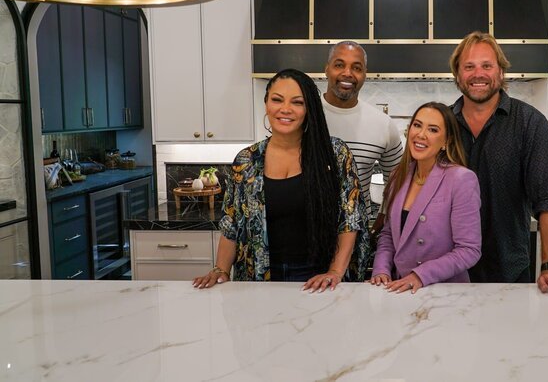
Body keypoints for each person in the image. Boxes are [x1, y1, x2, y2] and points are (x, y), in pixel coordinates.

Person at [192, 69, 369, 291]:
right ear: (266, 104)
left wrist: (334, 272)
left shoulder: (335, 154)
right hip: (258, 276)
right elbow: (231, 225)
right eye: (277, 100)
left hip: (318, 277)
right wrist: (220, 270)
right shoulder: (246, 160)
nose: (285, 109)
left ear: (309, 109)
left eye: (297, 102)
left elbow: (349, 221)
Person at [449, 31, 548, 299]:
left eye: (486, 66)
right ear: (457, 75)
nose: (477, 74)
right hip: (446, 274)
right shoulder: (442, 125)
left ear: (500, 73)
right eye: (468, 66)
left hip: (508, 274)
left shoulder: (530, 124)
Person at [369, 102, 481, 293]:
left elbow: (469, 250)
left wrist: (420, 275)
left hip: (445, 295)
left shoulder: (461, 179)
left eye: (433, 129)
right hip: (399, 289)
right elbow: (389, 234)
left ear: (446, 141)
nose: (421, 134)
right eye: (417, 125)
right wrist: (381, 270)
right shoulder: (399, 175)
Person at [321, 41, 403, 267]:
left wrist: (382, 217)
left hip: (358, 236)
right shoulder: (306, 116)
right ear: (326, 69)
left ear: (365, 74)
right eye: (339, 65)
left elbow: (398, 179)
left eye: (356, 67)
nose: (347, 73)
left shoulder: (382, 124)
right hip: (307, 232)